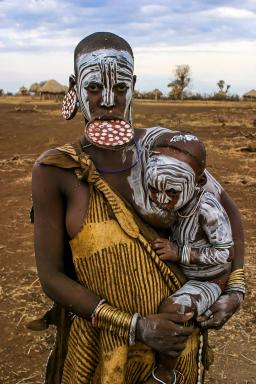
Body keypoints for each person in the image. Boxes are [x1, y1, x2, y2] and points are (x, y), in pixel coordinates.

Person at [32, 32, 245, 384]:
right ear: (75, 86)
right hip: (100, 349)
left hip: (175, 348)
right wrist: (137, 326)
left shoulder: (165, 152)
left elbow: (229, 214)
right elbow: (51, 276)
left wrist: (234, 290)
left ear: (134, 85)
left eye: (119, 87)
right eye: (94, 87)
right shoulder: (56, 170)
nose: (108, 101)